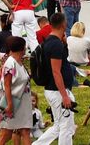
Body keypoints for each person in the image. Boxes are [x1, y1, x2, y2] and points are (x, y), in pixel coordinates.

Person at [33, 13, 75, 145]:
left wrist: (65, 44)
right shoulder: (55, 45)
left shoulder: (50, 41)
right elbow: (56, 71)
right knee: (66, 127)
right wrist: (65, 96)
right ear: (64, 24)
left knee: (58, 126)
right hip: (58, 91)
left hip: (53, 89)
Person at [0, 37, 32, 145]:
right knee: (6, 133)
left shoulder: (19, 62)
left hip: (22, 103)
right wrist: (10, 104)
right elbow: (7, 84)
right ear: (21, 48)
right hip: (12, 102)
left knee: (25, 130)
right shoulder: (10, 63)